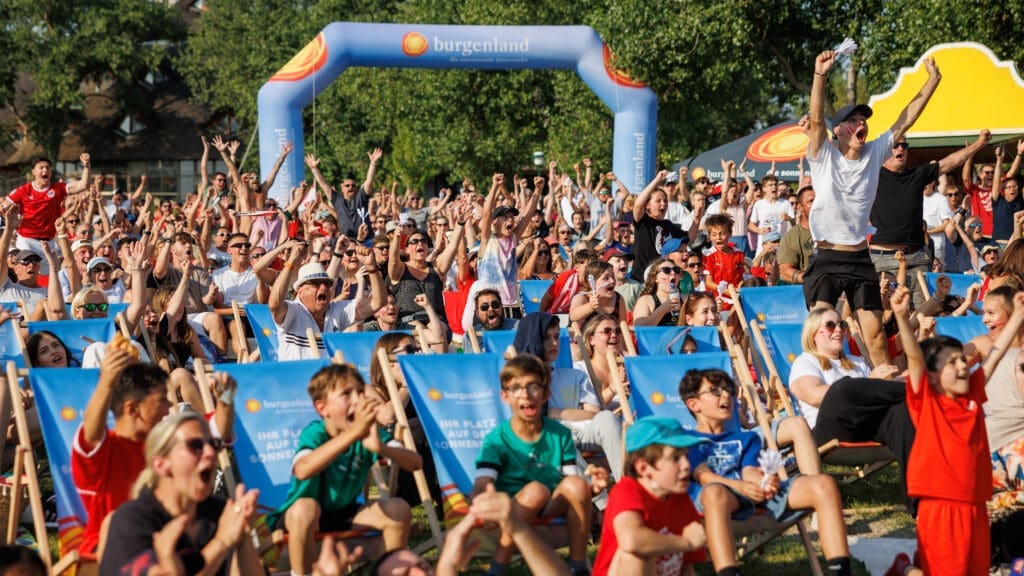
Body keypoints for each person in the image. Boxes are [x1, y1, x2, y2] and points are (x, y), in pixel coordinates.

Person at [804, 49, 941, 368]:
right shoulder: (824, 155)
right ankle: (821, 393)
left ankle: (883, 391)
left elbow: (907, 117)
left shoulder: (874, 152)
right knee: (822, 332)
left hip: (859, 258)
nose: (860, 122)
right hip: (826, 256)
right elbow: (814, 119)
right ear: (838, 131)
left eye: (862, 118)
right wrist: (820, 73)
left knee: (876, 334)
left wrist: (932, 81)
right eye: (852, 120)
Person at [885, 286, 1016, 575]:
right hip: (940, 506)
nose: (961, 366)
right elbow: (915, 359)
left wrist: (1018, 315)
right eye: (952, 362)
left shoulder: (971, 395)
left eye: (962, 359)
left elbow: (992, 357)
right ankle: (905, 571)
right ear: (932, 376)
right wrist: (900, 315)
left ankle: (908, 568)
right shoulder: (927, 400)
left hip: (975, 505)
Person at [682, 368, 852, 576]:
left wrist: (764, 482)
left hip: (748, 494)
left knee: (822, 483)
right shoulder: (686, 440)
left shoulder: (747, 439)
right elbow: (704, 475)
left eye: (728, 389)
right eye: (715, 391)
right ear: (694, 404)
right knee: (715, 492)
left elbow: (750, 471)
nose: (725, 394)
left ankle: (840, 571)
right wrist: (741, 487)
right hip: (713, 499)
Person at [267, 364, 422, 576]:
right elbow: (302, 470)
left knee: (399, 509)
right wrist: (353, 433)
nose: (357, 400)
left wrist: (381, 447)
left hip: (344, 513)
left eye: (359, 392)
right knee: (306, 508)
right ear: (323, 409)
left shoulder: (368, 432)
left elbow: (415, 463)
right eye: (346, 394)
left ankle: (388, 570)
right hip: (299, 520)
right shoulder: (316, 433)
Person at [472, 354, 593, 576]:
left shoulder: (560, 434)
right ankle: (498, 566)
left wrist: (592, 486)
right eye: (516, 388)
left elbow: (569, 480)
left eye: (533, 387)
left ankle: (578, 566)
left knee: (577, 483)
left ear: (546, 394)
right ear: (505, 396)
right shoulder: (497, 439)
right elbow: (482, 482)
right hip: (512, 507)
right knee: (536, 490)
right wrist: (485, 493)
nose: (525, 394)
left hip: (550, 505)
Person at [100, 413, 262, 576]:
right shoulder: (132, 520)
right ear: (161, 465)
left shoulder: (219, 513)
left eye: (213, 444)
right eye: (195, 445)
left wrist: (243, 531)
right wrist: (221, 542)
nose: (210, 453)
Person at [788, 308, 916, 504]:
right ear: (813, 333)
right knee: (844, 389)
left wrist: (905, 380)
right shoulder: (805, 362)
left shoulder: (857, 363)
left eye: (842, 325)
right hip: (828, 432)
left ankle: (919, 499)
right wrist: (867, 383)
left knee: (900, 412)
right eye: (831, 325)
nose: (839, 329)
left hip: (867, 429)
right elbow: (813, 396)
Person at [870, 130, 992, 308]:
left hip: (917, 257)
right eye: (895, 145)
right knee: (885, 318)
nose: (901, 149)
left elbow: (949, 162)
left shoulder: (917, 173)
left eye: (904, 145)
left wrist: (979, 144)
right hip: (884, 259)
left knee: (922, 318)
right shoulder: (871, 173)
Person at [71, 352, 171, 556]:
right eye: (162, 401)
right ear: (133, 409)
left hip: (164, 542)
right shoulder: (105, 451)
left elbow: (217, 429)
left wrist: (225, 397)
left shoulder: (166, 445)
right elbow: (91, 435)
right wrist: (107, 382)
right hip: (111, 550)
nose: (169, 408)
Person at [592, 416, 708, 576]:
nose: (687, 465)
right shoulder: (626, 490)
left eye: (686, 456)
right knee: (639, 554)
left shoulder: (681, 498)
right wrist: (685, 542)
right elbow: (631, 540)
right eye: (675, 458)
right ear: (643, 468)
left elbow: (686, 569)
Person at [268, 244, 385, 360]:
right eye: (316, 283)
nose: (323, 288)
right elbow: (274, 305)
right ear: (300, 290)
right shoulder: (293, 311)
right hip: (295, 378)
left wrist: (371, 268)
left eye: (327, 284)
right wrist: (291, 262)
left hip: (326, 377)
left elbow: (377, 302)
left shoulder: (336, 310)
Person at [3, 154, 92, 274]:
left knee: (47, 279)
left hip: (48, 242)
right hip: (27, 240)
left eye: (48, 168)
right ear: (33, 171)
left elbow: (83, 185)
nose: (45, 170)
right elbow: (3, 206)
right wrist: (9, 214)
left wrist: (86, 165)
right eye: (41, 167)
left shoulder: (58, 189)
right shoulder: (23, 190)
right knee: (27, 272)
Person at [631, 171, 689, 283]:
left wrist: (697, 217)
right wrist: (657, 180)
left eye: (665, 201)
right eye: (658, 201)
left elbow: (688, 237)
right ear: (647, 205)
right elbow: (638, 204)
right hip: (640, 280)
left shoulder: (668, 225)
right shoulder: (643, 222)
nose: (663, 204)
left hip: (660, 280)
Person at [633, 258, 683, 326]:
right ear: (655, 278)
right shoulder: (646, 300)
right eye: (666, 270)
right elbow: (639, 327)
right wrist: (662, 310)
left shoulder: (685, 299)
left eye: (676, 270)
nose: (673, 273)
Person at [702, 213, 744, 290]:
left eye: (722, 234)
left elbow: (741, 278)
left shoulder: (739, 253)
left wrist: (739, 289)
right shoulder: (708, 255)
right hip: (717, 297)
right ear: (710, 236)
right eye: (714, 235)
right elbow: (708, 282)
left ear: (730, 233)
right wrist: (726, 291)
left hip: (735, 295)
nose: (718, 237)